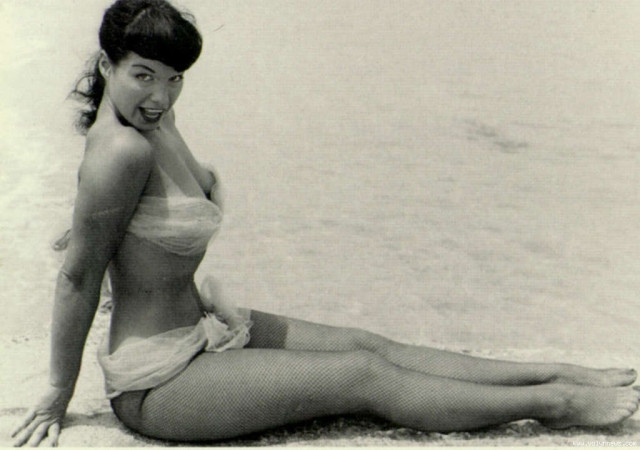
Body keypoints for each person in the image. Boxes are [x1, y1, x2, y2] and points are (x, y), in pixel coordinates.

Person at [11, 0, 640, 446]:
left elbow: (115, 230)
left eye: (174, 80)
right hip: (160, 381)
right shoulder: (121, 150)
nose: (160, 96)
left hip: (204, 330)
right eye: (143, 76)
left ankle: (554, 371)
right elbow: (76, 278)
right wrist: (57, 395)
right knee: (364, 376)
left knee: (370, 344)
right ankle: (556, 403)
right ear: (106, 64)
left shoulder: (154, 121)